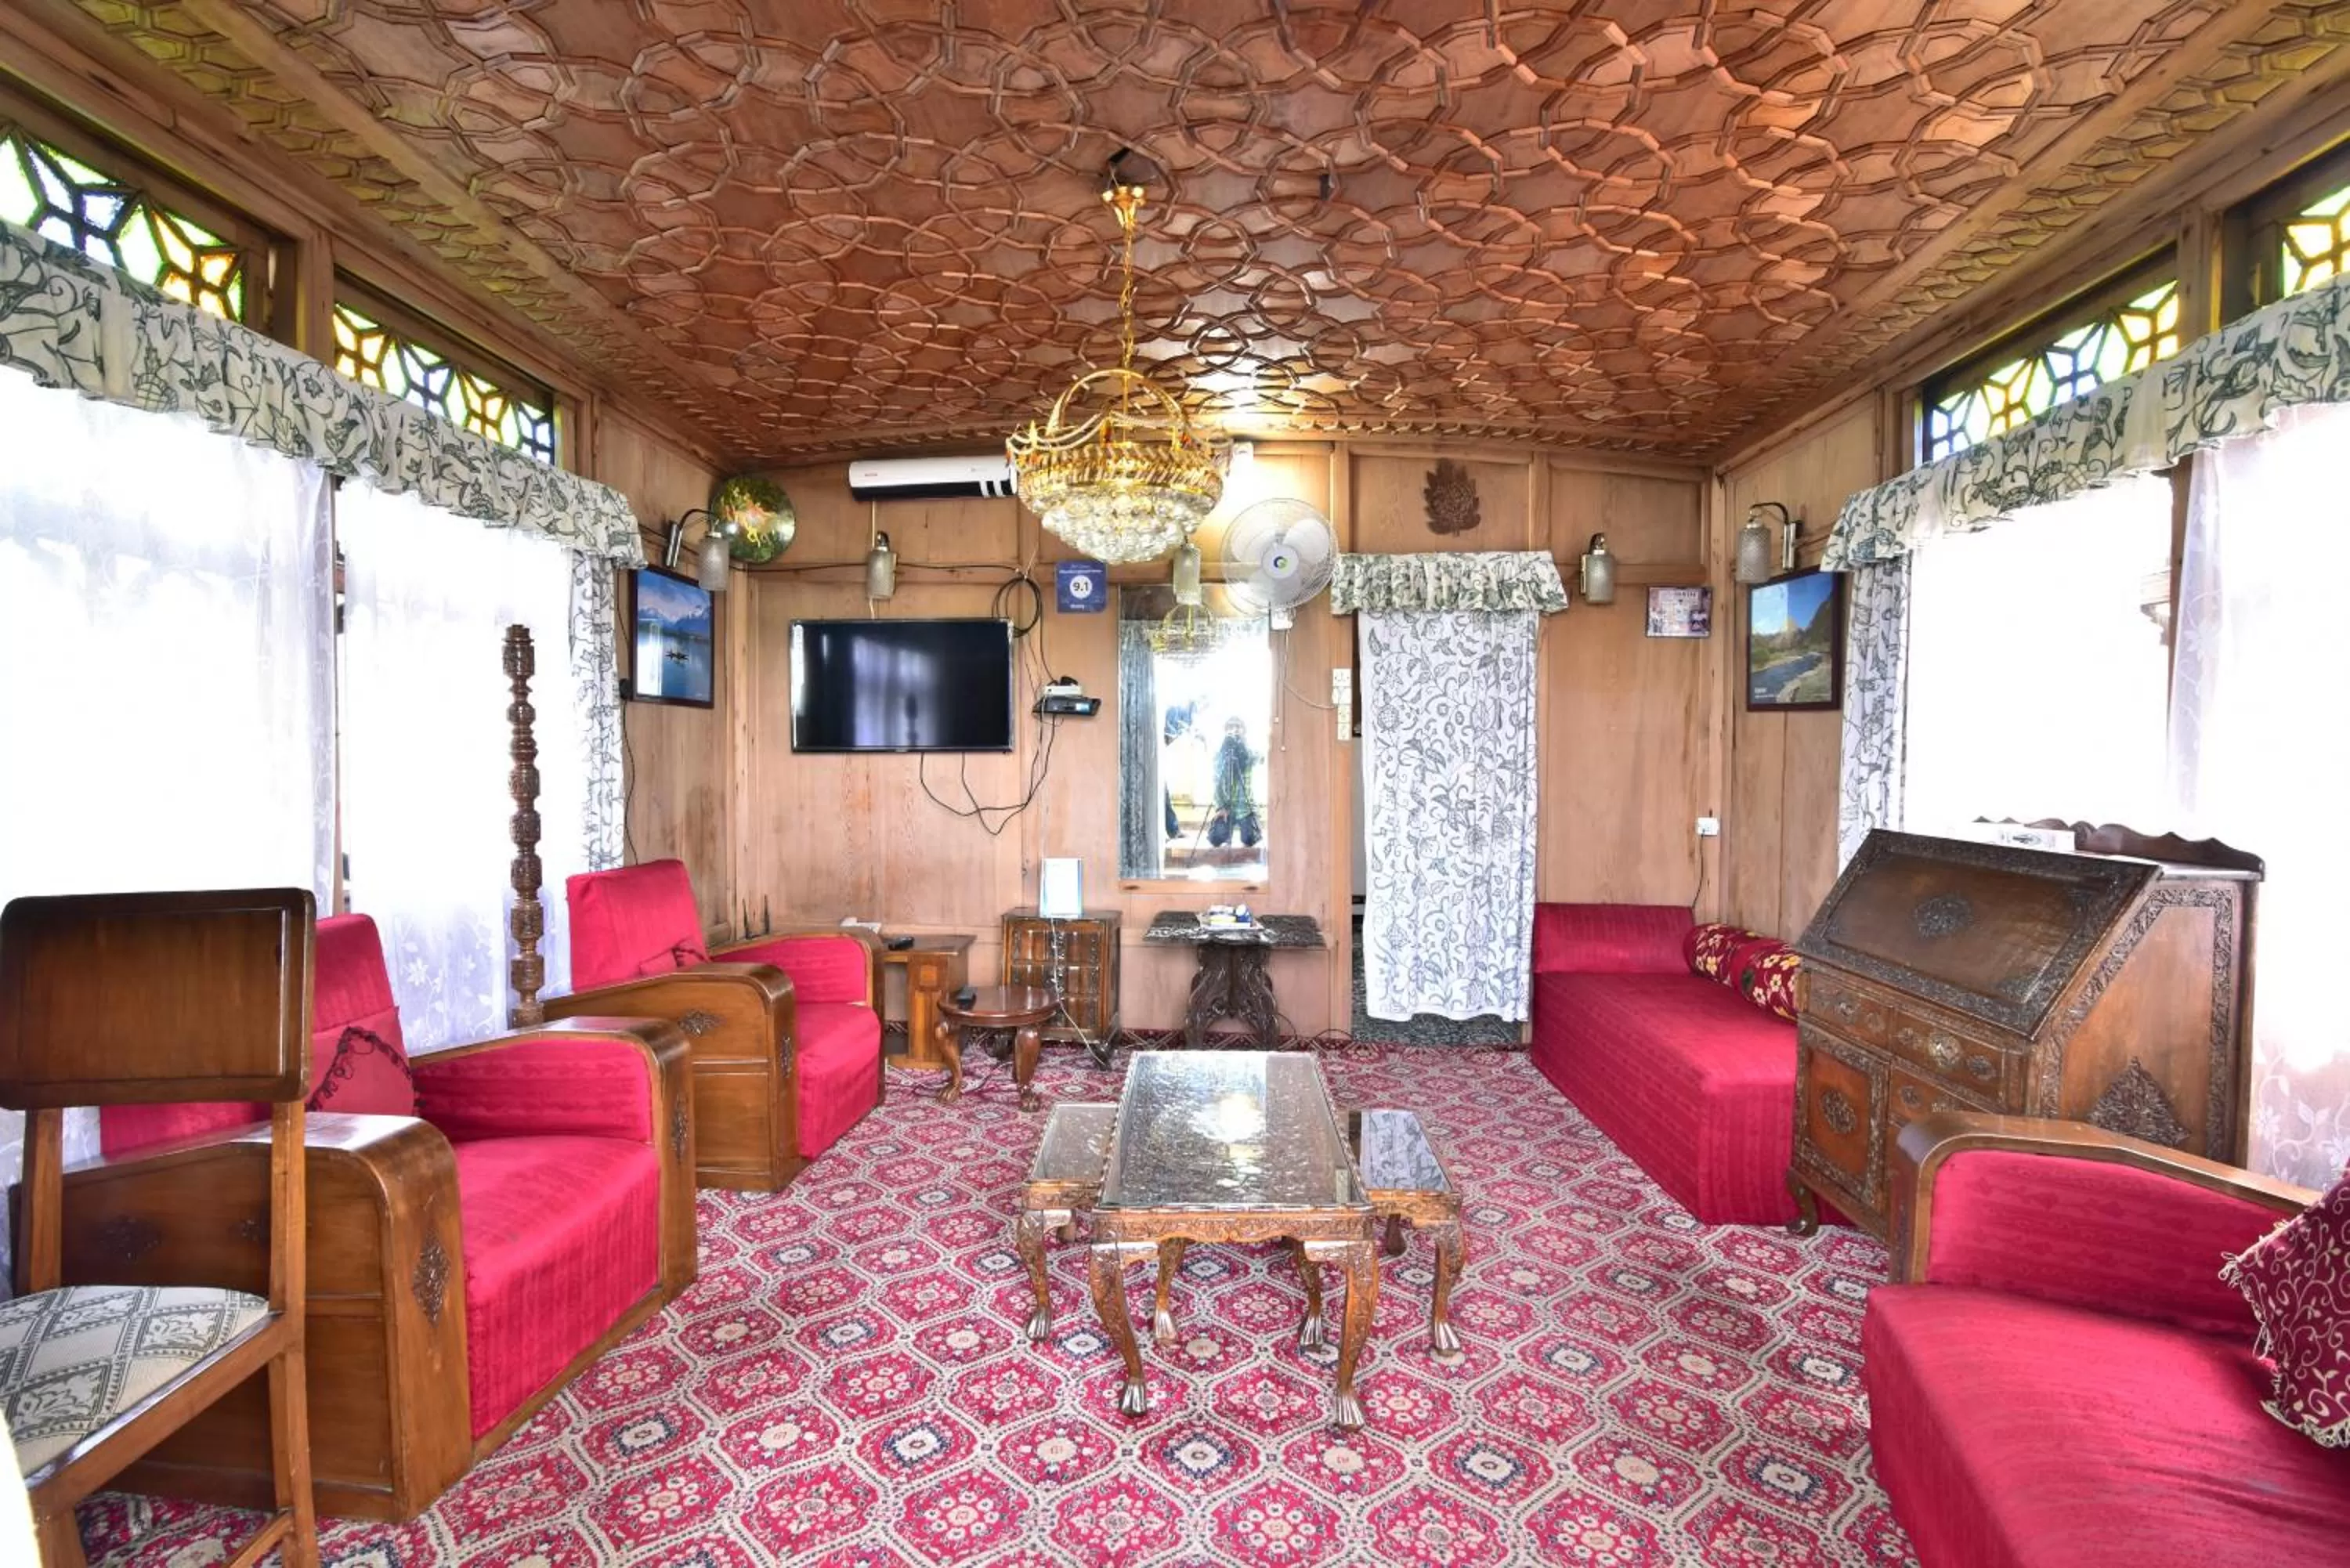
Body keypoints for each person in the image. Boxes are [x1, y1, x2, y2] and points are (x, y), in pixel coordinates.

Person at [1205, 716, 1262, 848]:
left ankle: (1253, 827)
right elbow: (1216, 782)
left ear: (1244, 730)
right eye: (1230, 727)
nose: (1234, 730)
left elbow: (1259, 757)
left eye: (1238, 727)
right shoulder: (1220, 754)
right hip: (1226, 808)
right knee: (1216, 839)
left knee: (1249, 839)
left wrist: (1243, 748)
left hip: (1245, 808)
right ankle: (1224, 830)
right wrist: (1220, 807)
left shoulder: (1249, 751)